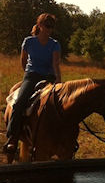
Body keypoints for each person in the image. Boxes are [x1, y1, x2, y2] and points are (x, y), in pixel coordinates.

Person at [3, 13, 61, 154]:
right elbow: (23, 61)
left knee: (63, 105)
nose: (49, 29)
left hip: (49, 77)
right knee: (19, 103)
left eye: (51, 27)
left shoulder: (55, 44)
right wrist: (28, 75)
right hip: (32, 76)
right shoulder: (29, 41)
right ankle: (12, 138)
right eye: (47, 26)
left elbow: (55, 64)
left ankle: (66, 139)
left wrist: (59, 82)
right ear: (40, 26)